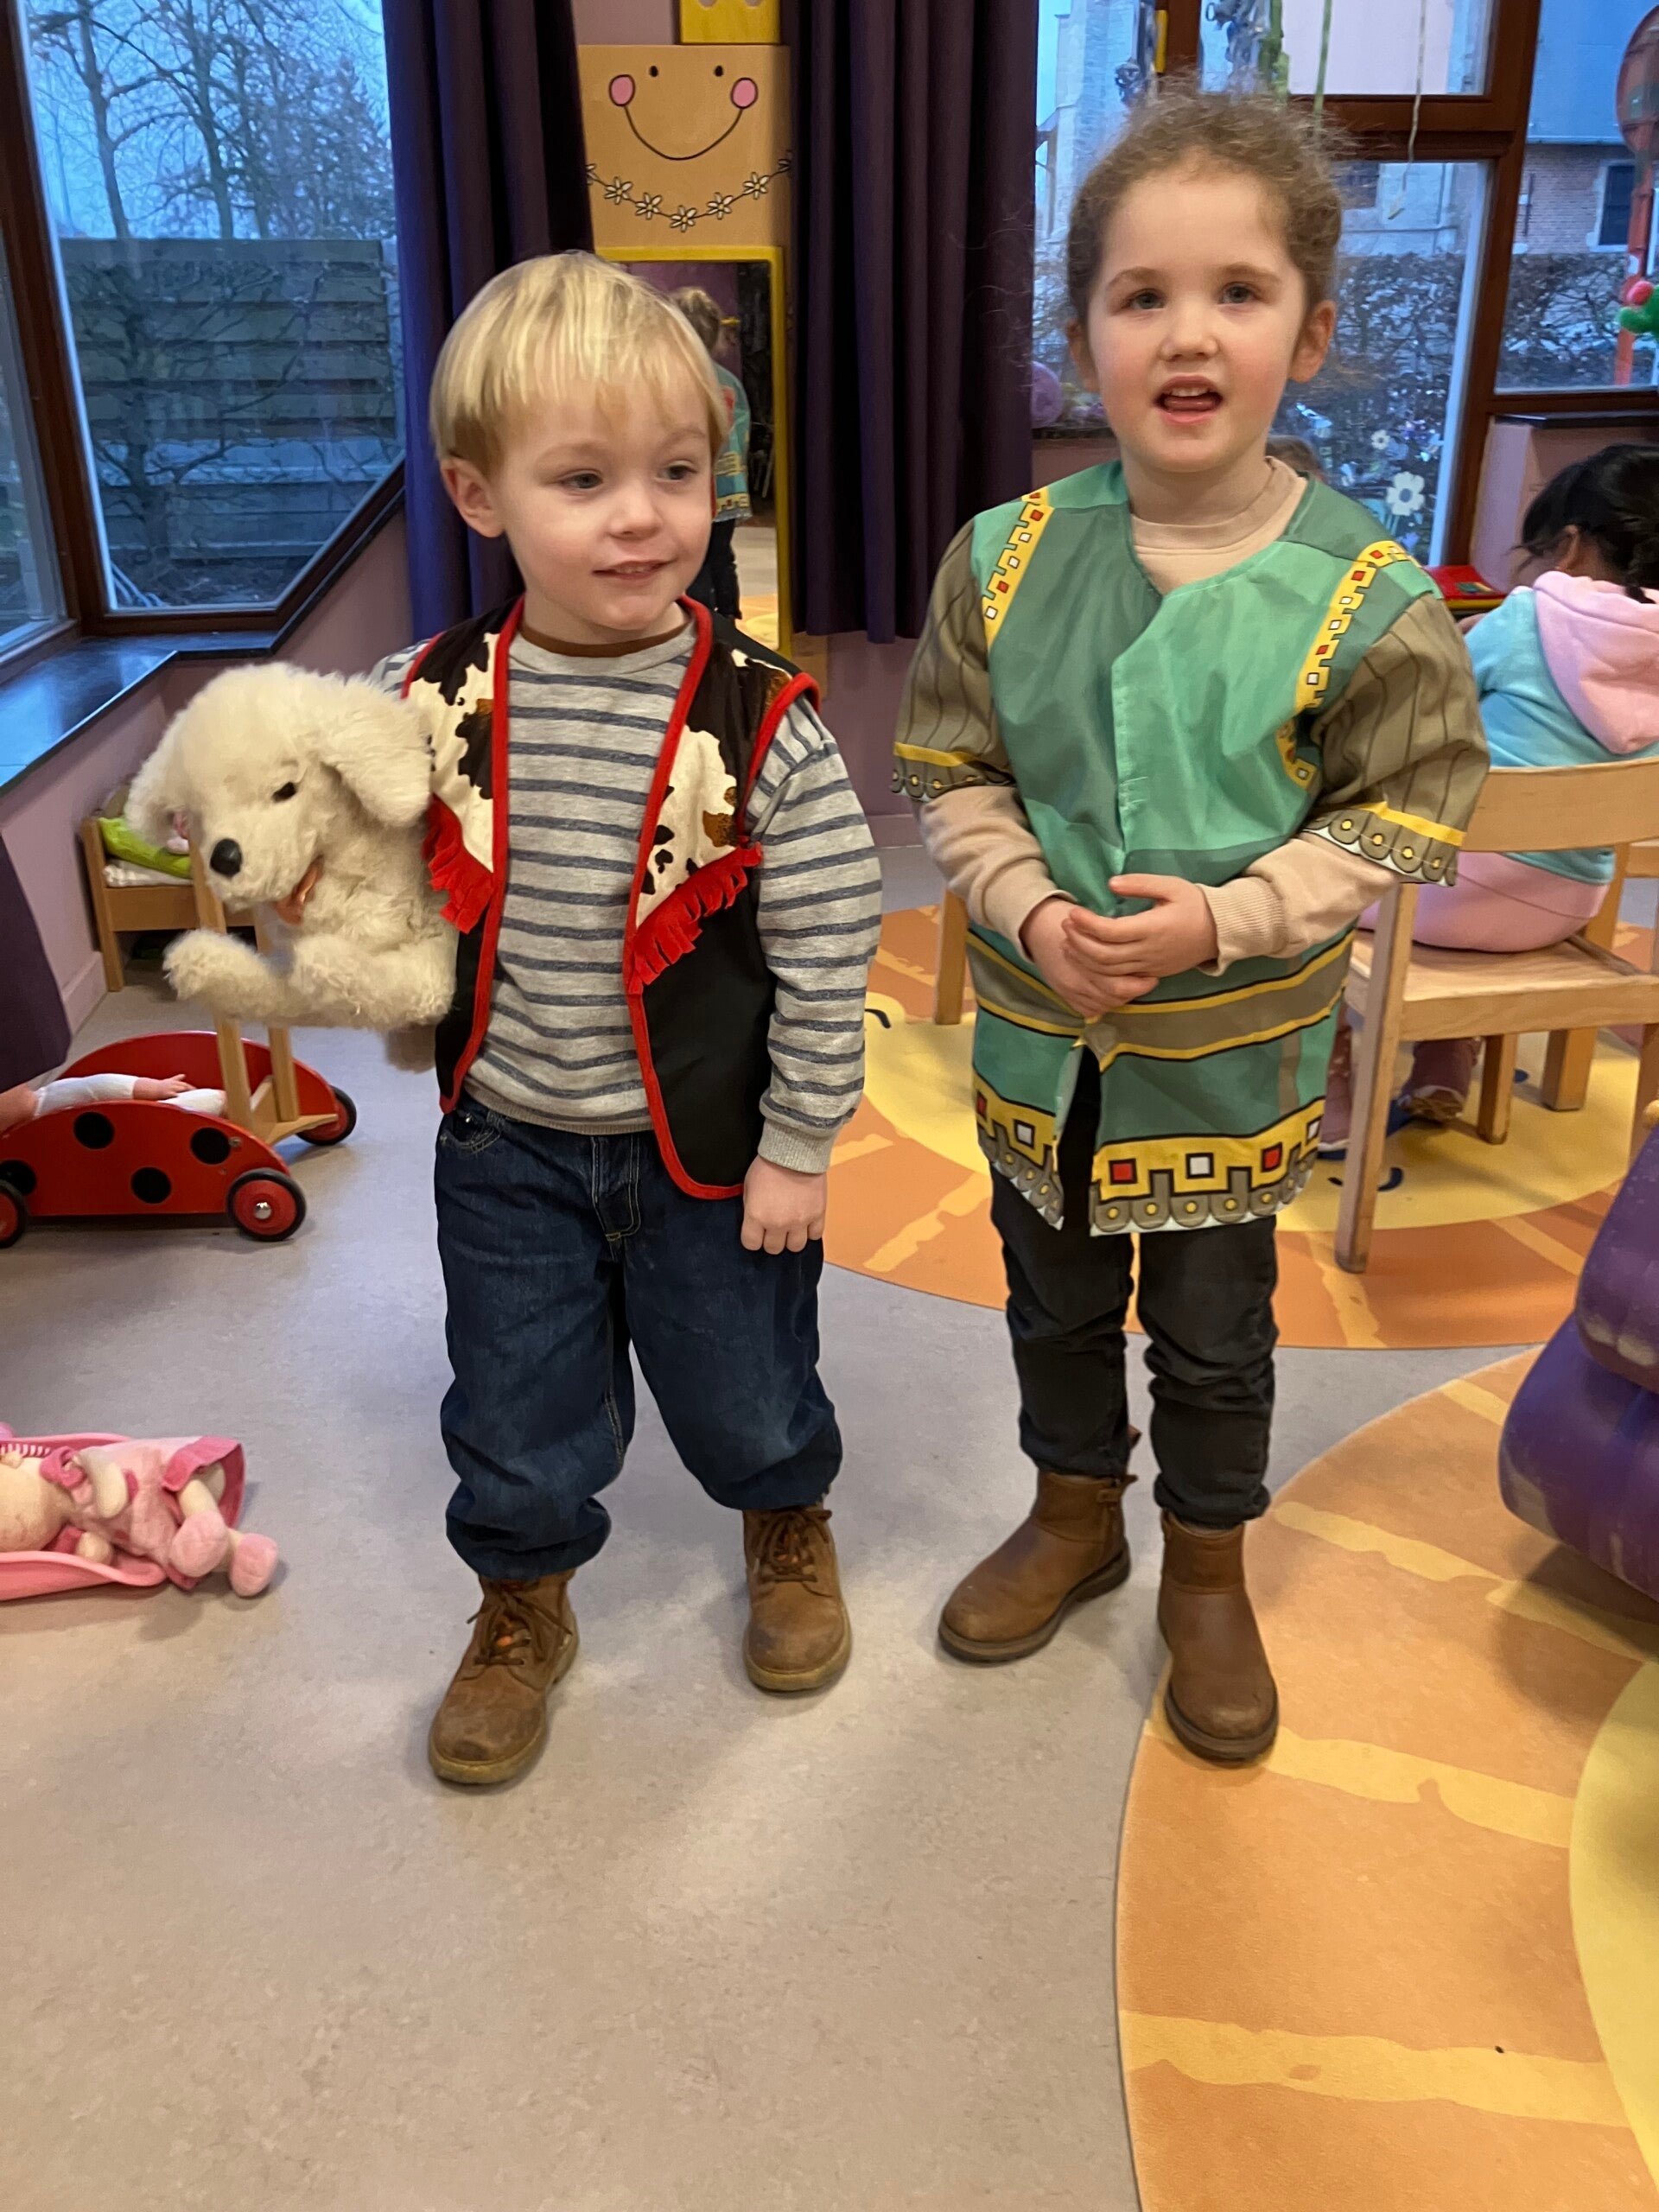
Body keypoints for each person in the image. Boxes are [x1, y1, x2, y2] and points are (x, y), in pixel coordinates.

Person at [894, 88, 1486, 1764]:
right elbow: (955, 772)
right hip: (1044, 1045)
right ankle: (1075, 1511)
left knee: (1217, 1334)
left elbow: (1403, 808)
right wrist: (1025, 903)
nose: (1188, 333)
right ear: (1082, 333)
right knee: (1053, 1300)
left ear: (1313, 329)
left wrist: (1233, 914)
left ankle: (1208, 1567)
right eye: (1140, 295)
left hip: (1229, 1063)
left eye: (1238, 291)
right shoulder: (1000, 561)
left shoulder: (1369, 594)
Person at [372, 253, 880, 1788]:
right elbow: (339, 849)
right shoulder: (431, 697)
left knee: (748, 1379)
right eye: (583, 480)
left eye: (677, 473)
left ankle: (784, 1520)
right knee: (514, 1398)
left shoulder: (763, 715)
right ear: (480, 496)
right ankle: (522, 1600)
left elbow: (831, 938)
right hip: (510, 1139)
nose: (643, 517)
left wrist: (801, 1142)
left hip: (710, 1143)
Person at [1322, 443, 1659, 1141]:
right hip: (1568, 906)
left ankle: (1329, 1084)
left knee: (1306, 885)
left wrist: (1462, 641)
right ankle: (1448, 1056)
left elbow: (1417, 718)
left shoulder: (1524, 620)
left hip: (1440, 898)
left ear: (1570, 545)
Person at [672, 285, 750, 623]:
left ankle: (704, 625)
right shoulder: (728, 380)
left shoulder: (672, 381)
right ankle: (728, 620)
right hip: (728, 485)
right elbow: (742, 436)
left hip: (691, 487)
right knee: (722, 557)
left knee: (697, 560)